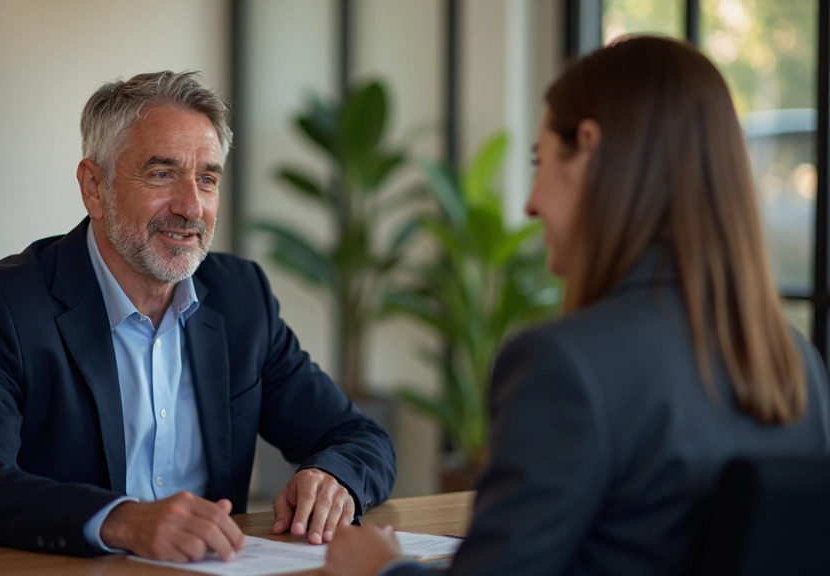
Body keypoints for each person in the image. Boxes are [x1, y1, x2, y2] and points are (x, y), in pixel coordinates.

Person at [323, 36, 830, 576]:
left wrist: (382, 570)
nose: (530, 201)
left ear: (588, 146)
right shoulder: (797, 366)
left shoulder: (565, 364)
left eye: (541, 162)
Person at [0, 71, 396, 562]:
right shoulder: (2, 304)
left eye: (207, 179)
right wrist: (120, 519)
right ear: (94, 187)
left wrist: (334, 478)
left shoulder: (240, 298)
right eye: (161, 174)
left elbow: (362, 437)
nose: (191, 206)